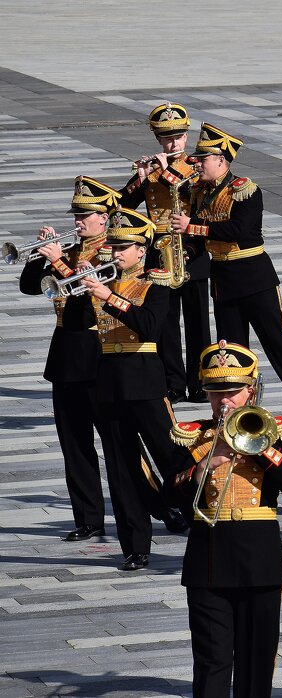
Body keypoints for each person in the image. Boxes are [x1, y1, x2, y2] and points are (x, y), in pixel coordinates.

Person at [167, 341, 282, 697]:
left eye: (232, 392)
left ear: (251, 390)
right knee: (211, 659)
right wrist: (204, 465)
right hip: (209, 556)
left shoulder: (273, 429)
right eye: (215, 394)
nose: (223, 401)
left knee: (256, 660)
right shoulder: (192, 435)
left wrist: (255, 445)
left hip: (259, 556)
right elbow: (167, 497)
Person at [169, 122, 282, 410]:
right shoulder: (199, 192)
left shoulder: (244, 190)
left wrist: (192, 226)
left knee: (278, 343)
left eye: (203, 159)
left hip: (253, 275)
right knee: (230, 352)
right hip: (223, 280)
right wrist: (187, 253)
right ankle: (238, 409)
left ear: (221, 160)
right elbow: (201, 238)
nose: (197, 164)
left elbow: (240, 231)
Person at [79, 209, 181, 571]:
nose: (117, 251)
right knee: (122, 472)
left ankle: (192, 515)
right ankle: (135, 547)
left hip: (145, 380)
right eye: (115, 244)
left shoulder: (156, 284)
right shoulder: (99, 280)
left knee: (173, 458)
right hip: (108, 382)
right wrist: (70, 276)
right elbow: (77, 324)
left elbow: (149, 327)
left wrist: (108, 297)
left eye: (126, 246)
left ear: (142, 250)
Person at [18, 176, 119, 542]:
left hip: (99, 352)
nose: (79, 221)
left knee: (116, 442)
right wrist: (38, 254)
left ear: (104, 218)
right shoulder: (72, 250)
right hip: (65, 354)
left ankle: (154, 504)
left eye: (86, 215)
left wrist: (59, 260)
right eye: (76, 214)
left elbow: (87, 294)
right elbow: (31, 287)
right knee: (74, 444)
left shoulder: (112, 253)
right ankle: (88, 518)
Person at [119, 101, 212, 403]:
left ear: (186, 136)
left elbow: (197, 197)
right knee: (165, 319)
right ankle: (173, 382)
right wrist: (142, 179)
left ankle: (200, 382)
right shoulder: (151, 170)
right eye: (166, 137)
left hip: (191, 246)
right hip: (159, 249)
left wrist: (168, 170)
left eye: (177, 136)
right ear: (158, 139)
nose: (172, 142)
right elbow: (121, 206)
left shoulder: (198, 167)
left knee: (197, 320)